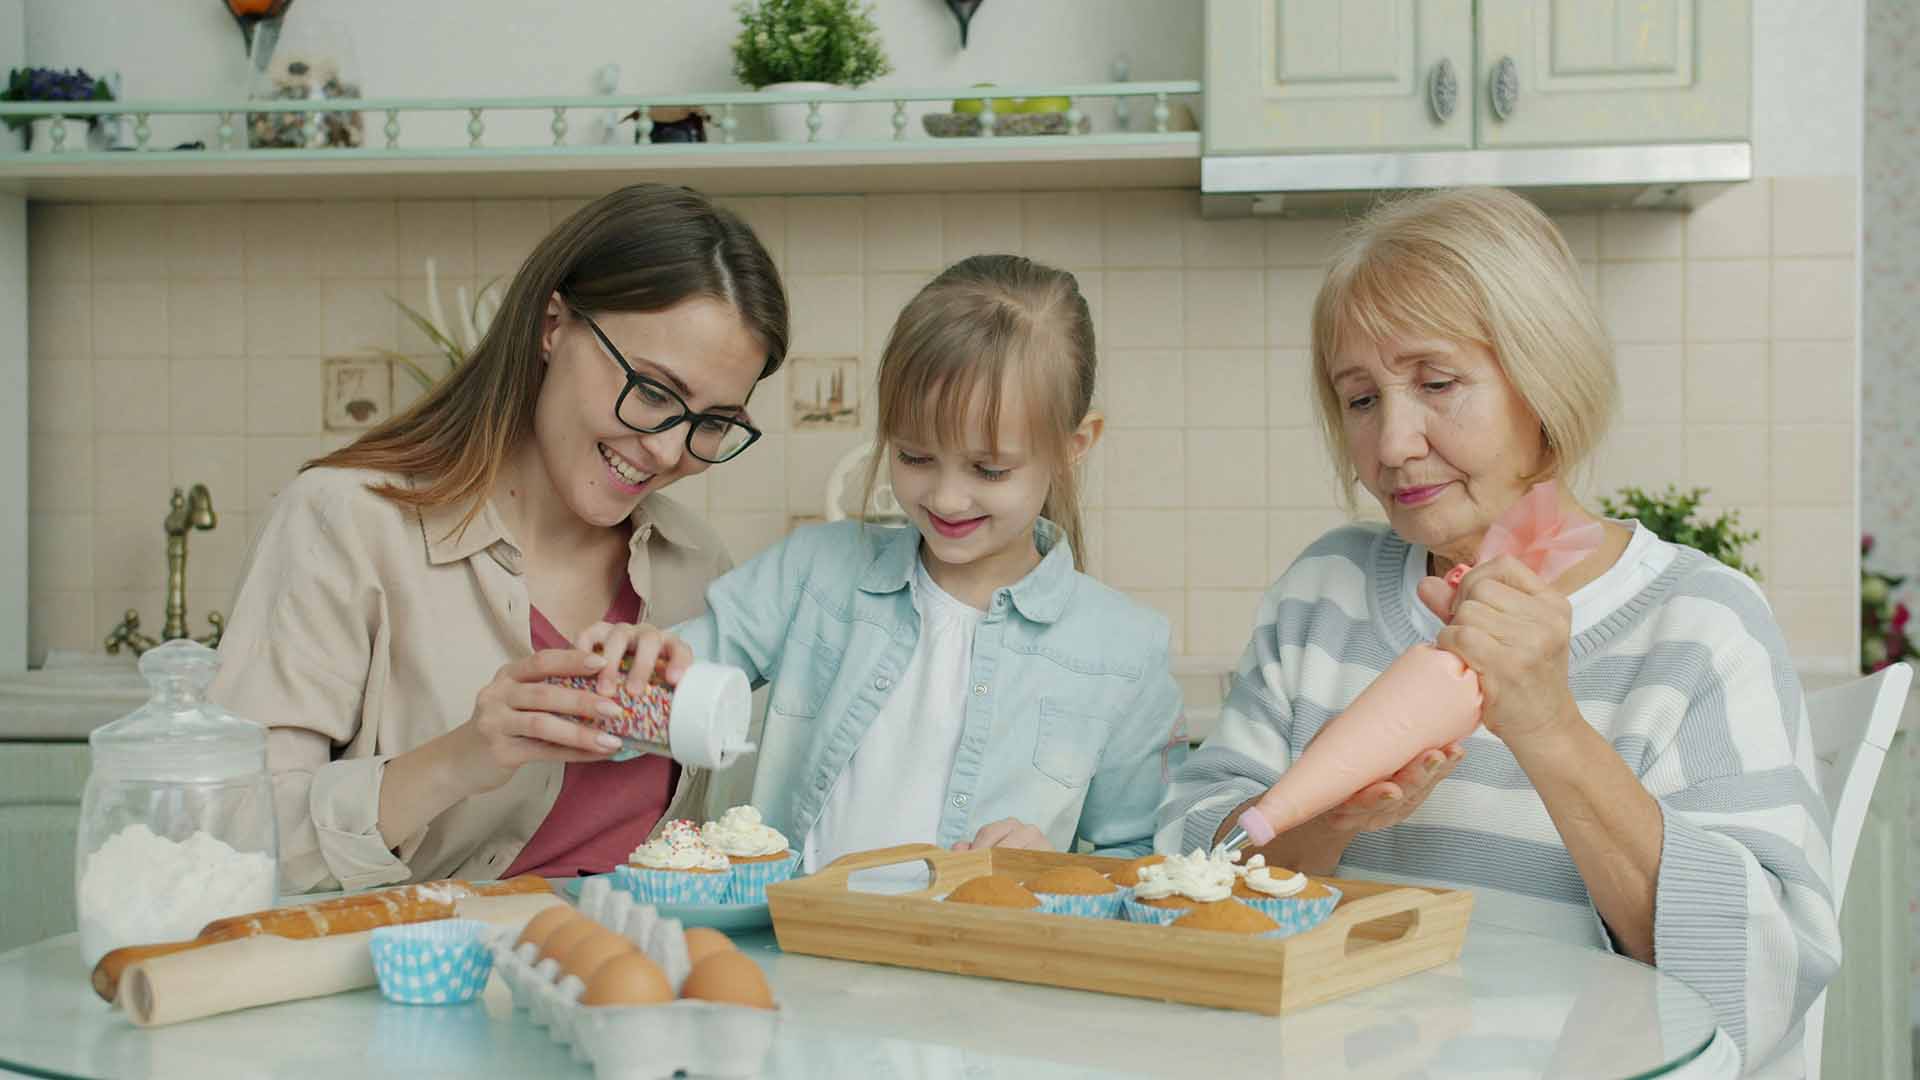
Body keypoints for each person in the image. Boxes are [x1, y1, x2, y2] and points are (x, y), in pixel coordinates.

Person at [1158, 188, 1838, 1075]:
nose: (1393, 442)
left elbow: (1762, 979)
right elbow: (1178, 877)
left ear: (1545, 379)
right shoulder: (1321, 596)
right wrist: (1321, 829)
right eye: (1360, 399)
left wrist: (1550, 726)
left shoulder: (1700, 625)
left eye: (1437, 384)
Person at [210, 183, 789, 893]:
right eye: (654, 392)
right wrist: (457, 761)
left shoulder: (692, 562)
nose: (670, 454)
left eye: (714, 423)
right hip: (413, 990)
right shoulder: (345, 523)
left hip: (630, 982)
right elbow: (234, 843)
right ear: (553, 325)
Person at [616, 254, 1186, 868]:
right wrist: (623, 679)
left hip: (979, 960)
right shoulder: (811, 574)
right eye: (914, 457)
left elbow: (1144, 862)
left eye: (989, 469)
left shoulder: (1127, 653)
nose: (944, 497)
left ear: (1073, 448)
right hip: (798, 950)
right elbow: (648, 701)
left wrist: (1058, 867)